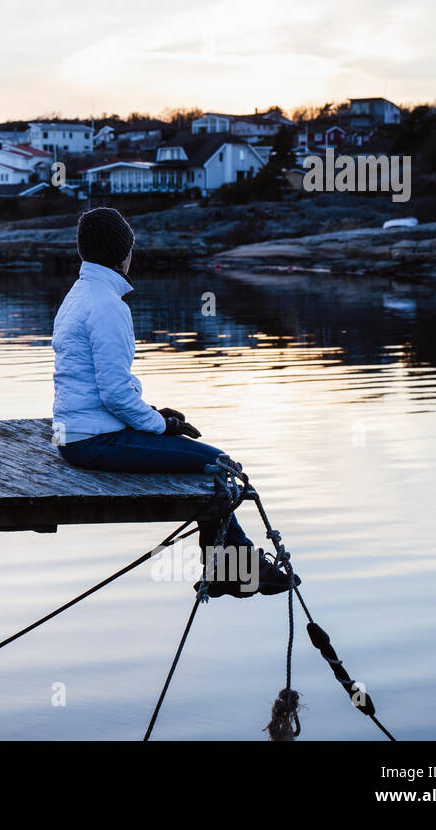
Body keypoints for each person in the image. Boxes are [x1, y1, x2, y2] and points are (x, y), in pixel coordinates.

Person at [52, 207, 296, 598]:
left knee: (207, 465)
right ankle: (235, 570)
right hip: (93, 441)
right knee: (218, 464)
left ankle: (229, 569)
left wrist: (151, 416)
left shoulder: (79, 296)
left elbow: (104, 389)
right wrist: (159, 427)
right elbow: (114, 393)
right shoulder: (107, 306)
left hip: (78, 433)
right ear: (123, 253)